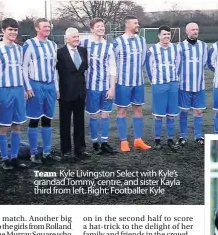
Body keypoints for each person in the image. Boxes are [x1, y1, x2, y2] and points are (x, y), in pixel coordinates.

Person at [0, 18, 28, 170]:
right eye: (10, 29)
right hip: (3, 91)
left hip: (18, 90)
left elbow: (22, 70)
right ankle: (5, 158)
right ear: (3, 31)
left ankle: (14, 157)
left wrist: (24, 88)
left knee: (17, 125)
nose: (13, 32)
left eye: (15, 30)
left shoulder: (19, 49)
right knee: (4, 126)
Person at [23, 18, 60, 164]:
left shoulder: (53, 45)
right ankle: (33, 153)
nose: (48, 28)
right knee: (34, 119)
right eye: (45, 26)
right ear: (37, 28)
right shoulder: (29, 44)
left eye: (49, 26)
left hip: (50, 86)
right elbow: (24, 67)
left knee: (47, 119)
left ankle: (47, 152)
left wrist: (56, 88)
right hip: (36, 85)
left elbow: (54, 68)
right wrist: (28, 87)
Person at [113, 15, 151, 152]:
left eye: (138, 22)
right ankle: (123, 141)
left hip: (138, 82)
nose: (138, 25)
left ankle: (138, 140)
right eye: (135, 23)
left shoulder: (142, 41)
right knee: (122, 110)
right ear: (127, 24)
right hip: (123, 82)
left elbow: (142, 60)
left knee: (138, 109)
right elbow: (113, 62)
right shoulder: (117, 42)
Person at [79, 18, 116, 154]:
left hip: (106, 86)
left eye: (103, 26)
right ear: (92, 29)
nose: (101, 28)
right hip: (91, 86)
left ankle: (104, 143)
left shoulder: (109, 46)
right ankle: (95, 143)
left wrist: (112, 87)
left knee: (105, 115)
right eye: (98, 26)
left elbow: (112, 68)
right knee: (93, 115)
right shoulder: (85, 43)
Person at [146, 25, 181, 151]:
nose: (166, 36)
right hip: (159, 85)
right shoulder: (152, 50)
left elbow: (178, 64)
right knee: (158, 114)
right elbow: (149, 68)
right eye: (164, 34)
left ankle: (170, 139)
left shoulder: (176, 49)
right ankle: (157, 140)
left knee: (171, 114)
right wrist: (154, 82)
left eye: (168, 34)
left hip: (172, 84)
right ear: (159, 35)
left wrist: (175, 80)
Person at [56, 27, 89, 158]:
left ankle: (80, 148)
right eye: (74, 37)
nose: (77, 39)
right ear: (67, 39)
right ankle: (66, 150)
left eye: (78, 37)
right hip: (65, 93)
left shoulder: (83, 51)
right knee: (65, 122)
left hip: (80, 93)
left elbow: (84, 70)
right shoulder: (59, 53)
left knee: (79, 121)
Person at [177, 22, 208, 146]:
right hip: (184, 85)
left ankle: (198, 136)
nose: (195, 31)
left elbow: (204, 62)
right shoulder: (180, 46)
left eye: (196, 29)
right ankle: (182, 136)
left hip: (199, 85)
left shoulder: (203, 46)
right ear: (187, 31)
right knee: (183, 111)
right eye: (192, 29)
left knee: (198, 111)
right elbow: (177, 64)